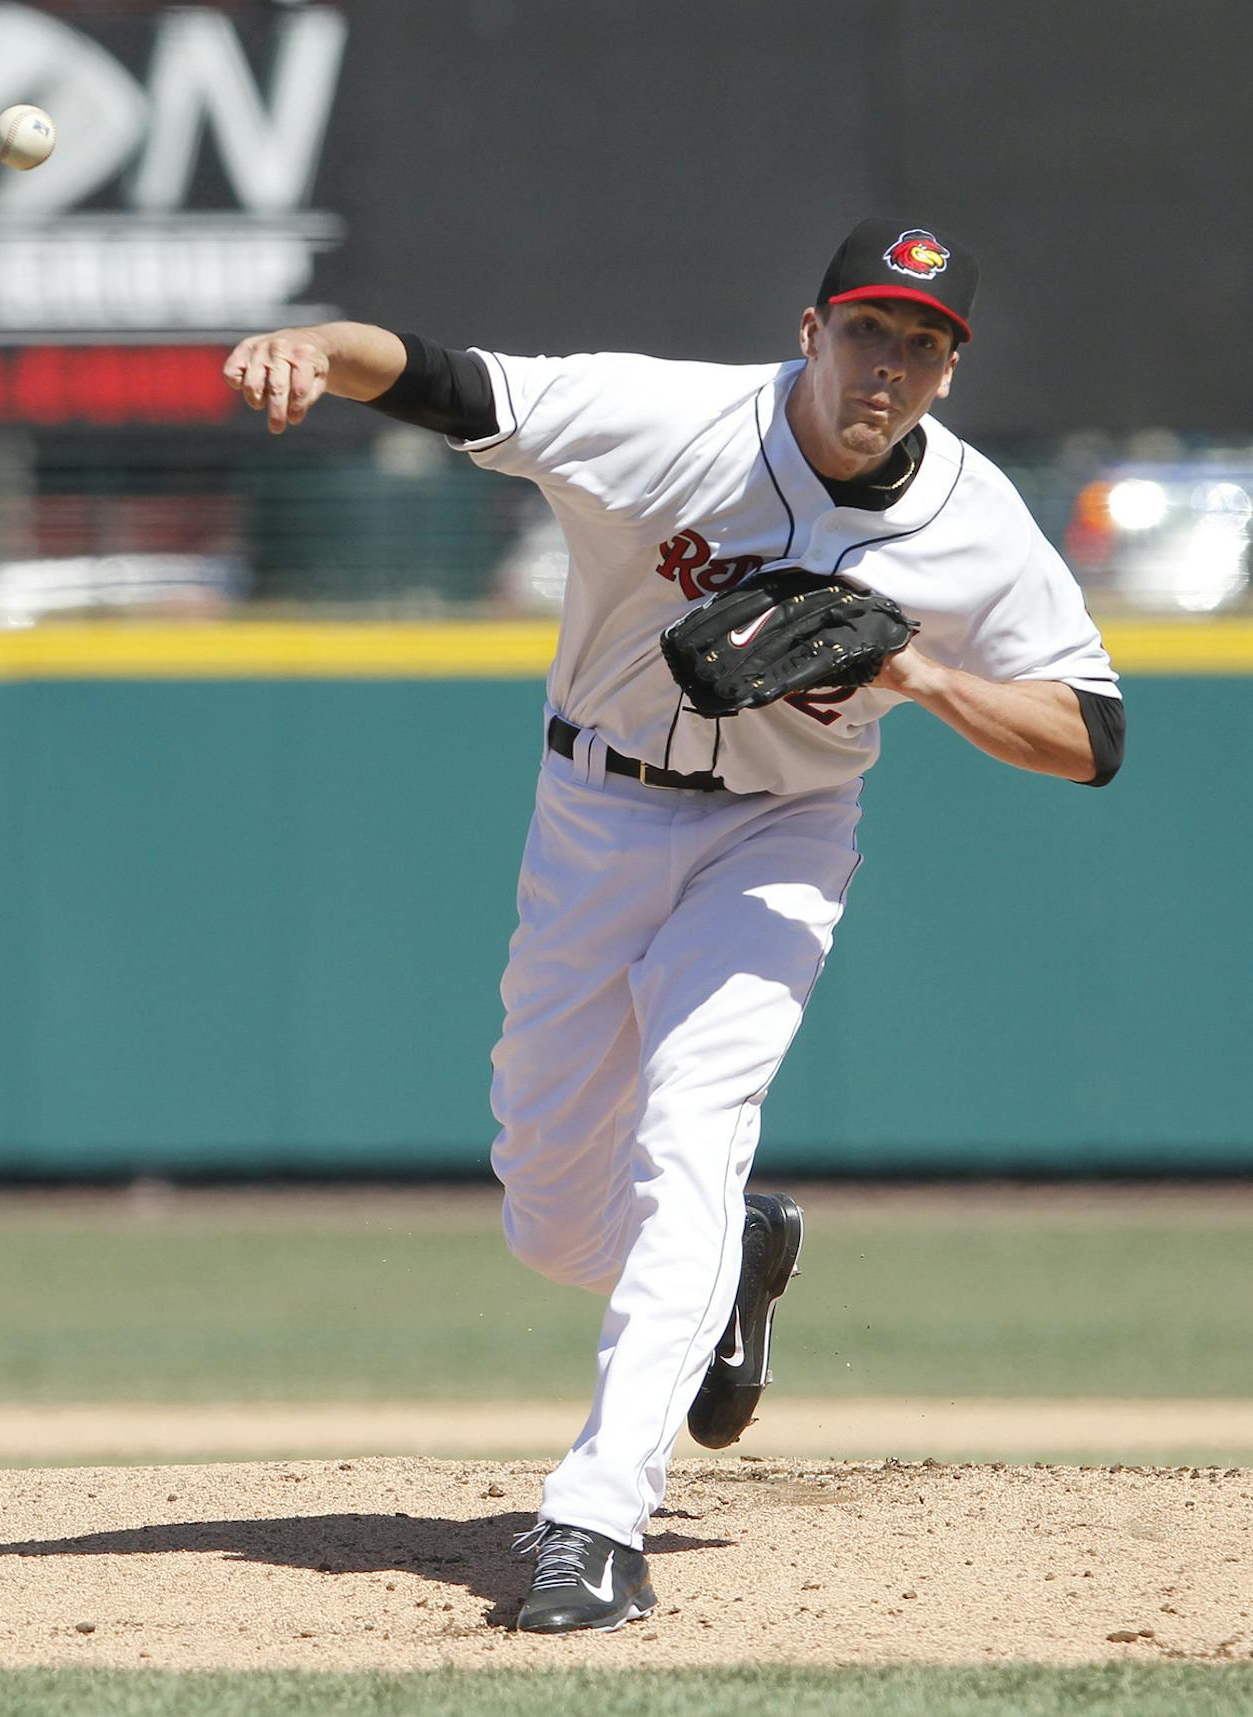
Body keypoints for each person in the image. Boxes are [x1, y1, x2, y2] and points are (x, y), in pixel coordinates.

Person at [224, 220, 1123, 1634]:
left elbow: (1093, 734)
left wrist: (918, 670)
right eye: (868, 328)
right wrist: (319, 351)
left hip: (784, 834)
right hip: (596, 814)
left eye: (922, 343)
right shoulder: (672, 421)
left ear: (950, 373)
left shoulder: (976, 520)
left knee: (694, 1123)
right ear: (811, 329)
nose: (888, 362)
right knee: (554, 1210)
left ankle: (594, 1518)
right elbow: (457, 386)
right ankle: (730, 1266)